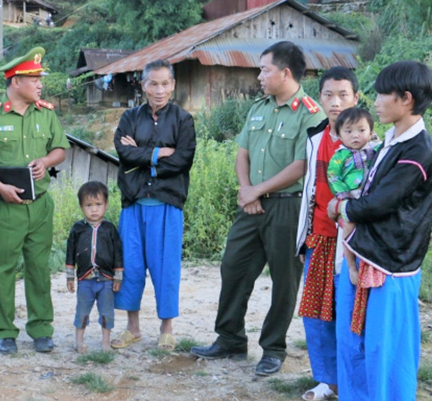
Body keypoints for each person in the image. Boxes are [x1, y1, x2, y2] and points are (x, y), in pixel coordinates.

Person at [192, 41, 325, 376]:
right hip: (251, 207)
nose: (259, 76)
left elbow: (301, 166)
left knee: (284, 280)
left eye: (265, 69)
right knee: (233, 267)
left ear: (286, 72)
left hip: (287, 208)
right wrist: (245, 190)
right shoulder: (259, 108)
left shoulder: (311, 114)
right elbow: (243, 152)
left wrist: (257, 191)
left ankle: (274, 348)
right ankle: (230, 339)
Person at [328, 61, 432, 401]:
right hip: (366, 253)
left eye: (381, 94)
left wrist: (342, 209)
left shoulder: (419, 152)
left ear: (405, 99)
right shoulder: (390, 140)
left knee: (388, 350)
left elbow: (378, 204)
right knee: (357, 340)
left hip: (392, 264)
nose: (373, 102)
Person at [0, 46, 70, 354]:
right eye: (34, 79)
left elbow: (60, 148)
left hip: (40, 206)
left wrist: (46, 161)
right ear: (15, 83)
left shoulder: (47, 114)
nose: (40, 84)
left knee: (38, 267)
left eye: (40, 79)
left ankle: (41, 329)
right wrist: (0, 186)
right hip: (3, 208)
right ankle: (4, 331)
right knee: (2, 269)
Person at [111, 59, 196, 352]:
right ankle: (132, 327)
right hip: (134, 204)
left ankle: (166, 329)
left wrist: (144, 157)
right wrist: (160, 153)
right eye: (153, 84)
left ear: (172, 84)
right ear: (143, 85)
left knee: (165, 268)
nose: (159, 90)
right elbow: (123, 152)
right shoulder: (130, 117)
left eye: (164, 83)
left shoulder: (183, 120)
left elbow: (183, 160)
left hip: (166, 204)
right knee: (131, 266)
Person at [294, 67, 360, 401]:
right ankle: (326, 380)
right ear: (319, 98)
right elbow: (309, 192)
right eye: (329, 95)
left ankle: (352, 385)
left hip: (350, 241)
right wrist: (303, 240)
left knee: (349, 313)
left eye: (343, 95)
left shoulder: (367, 141)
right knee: (316, 314)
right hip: (318, 238)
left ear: (356, 98)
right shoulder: (316, 137)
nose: (336, 103)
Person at [66, 181, 123, 353]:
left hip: (106, 280)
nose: (94, 209)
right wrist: (70, 277)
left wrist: (118, 277)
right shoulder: (77, 229)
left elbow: (118, 254)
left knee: (106, 312)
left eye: (98, 204)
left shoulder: (110, 229)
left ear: (106, 205)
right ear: (82, 207)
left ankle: (105, 342)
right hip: (85, 280)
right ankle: (79, 341)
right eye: (88, 205)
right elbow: (70, 253)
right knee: (82, 311)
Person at [327, 107, 379, 283]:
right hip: (350, 198)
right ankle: (350, 266)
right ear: (340, 134)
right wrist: (343, 195)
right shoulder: (340, 156)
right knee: (348, 227)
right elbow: (333, 175)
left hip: (371, 198)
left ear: (371, 132)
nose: (355, 135)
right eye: (348, 131)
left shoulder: (377, 149)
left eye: (361, 130)